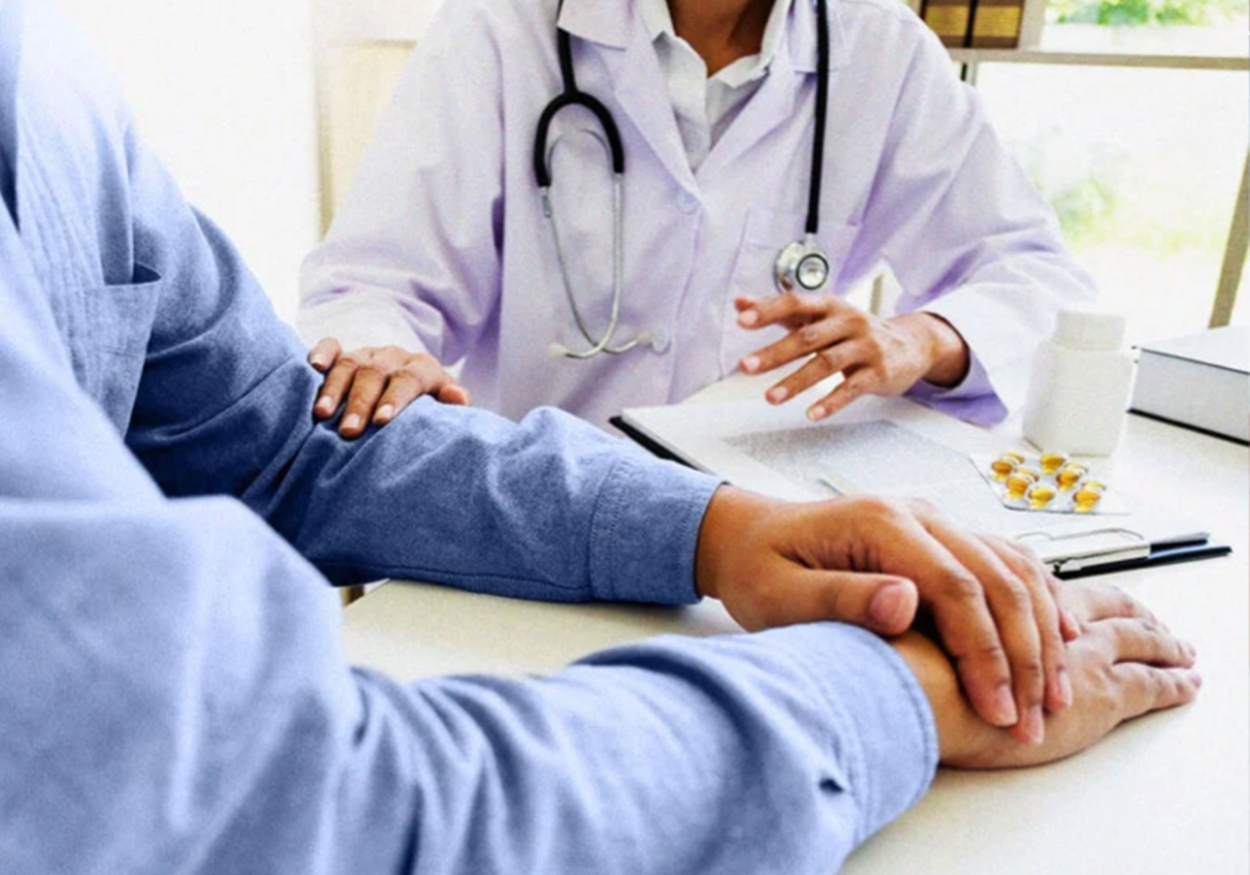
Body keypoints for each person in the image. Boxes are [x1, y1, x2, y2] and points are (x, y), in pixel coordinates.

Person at [0, 3, 1199, 873]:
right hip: (542, 545)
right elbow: (271, 813)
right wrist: (882, 693)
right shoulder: (504, 35)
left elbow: (270, 441)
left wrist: (725, 524)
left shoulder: (52, 90)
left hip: (718, 514)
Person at [297, 0, 1095, 436]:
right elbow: (376, 284)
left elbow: (1035, 275)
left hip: (775, 524)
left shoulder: (882, 49)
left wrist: (919, 338)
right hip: (540, 502)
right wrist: (388, 355)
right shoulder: (502, 31)